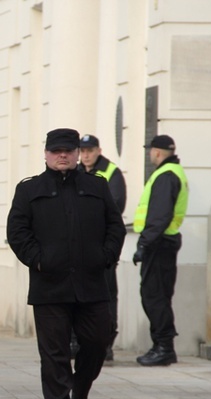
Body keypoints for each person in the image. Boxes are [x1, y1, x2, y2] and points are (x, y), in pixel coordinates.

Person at [6, 128, 126, 399]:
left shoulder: (97, 187)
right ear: (46, 154)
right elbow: (17, 233)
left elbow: (115, 227)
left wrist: (105, 256)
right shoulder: (29, 190)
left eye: (68, 151)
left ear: (77, 154)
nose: (63, 155)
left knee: (97, 342)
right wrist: (39, 260)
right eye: (57, 151)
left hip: (92, 283)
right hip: (50, 285)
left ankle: (80, 392)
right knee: (54, 351)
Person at [133, 134, 188, 367]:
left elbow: (159, 215)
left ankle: (163, 347)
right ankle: (163, 346)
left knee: (154, 297)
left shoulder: (165, 176)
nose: (149, 155)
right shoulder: (174, 172)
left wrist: (144, 244)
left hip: (159, 243)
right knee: (159, 296)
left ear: (156, 152)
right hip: (164, 242)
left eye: (150, 151)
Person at [78, 134, 127, 361]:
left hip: (101, 247)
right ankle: (78, 341)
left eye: (90, 150)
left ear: (99, 150)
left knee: (105, 296)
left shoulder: (111, 172)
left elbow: (114, 207)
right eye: (82, 150)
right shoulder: (75, 172)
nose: (85, 155)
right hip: (78, 249)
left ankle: (106, 343)